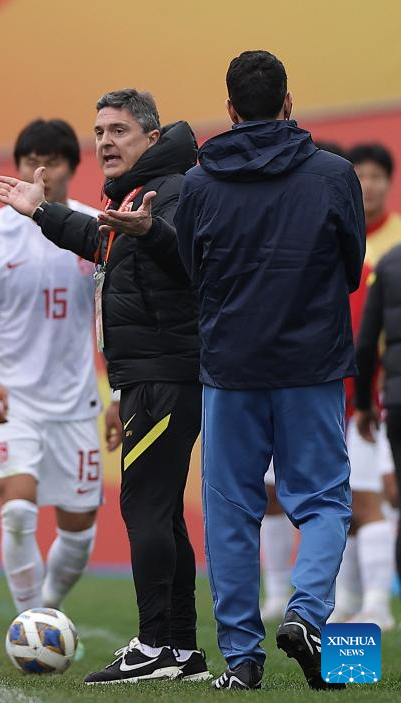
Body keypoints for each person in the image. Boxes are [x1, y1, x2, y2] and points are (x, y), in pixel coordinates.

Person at [0, 90, 209, 684]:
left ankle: (155, 645)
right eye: (100, 132)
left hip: (163, 373)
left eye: (119, 130)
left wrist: (151, 232)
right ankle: (181, 650)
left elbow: (191, 261)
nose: (106, 141)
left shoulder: (174, 190)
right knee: (162, 511)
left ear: (153, 138)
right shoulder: (135, 194)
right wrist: (40, 211)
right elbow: (100, 240)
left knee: (145, 507)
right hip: (147, 375)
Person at [175, 50, 364, 690]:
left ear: (230, 110)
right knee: (324, 501)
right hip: (312, 362)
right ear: (288, 102)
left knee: (231, 511)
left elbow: (193, 272)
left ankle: (242, 662)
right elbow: (350, 267)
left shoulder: (198, 185)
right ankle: (306, 614)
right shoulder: (334, 174)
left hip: (230, 366)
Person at [0, 119, 111, 628]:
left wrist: (117, 395)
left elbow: (113, 317)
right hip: (13, 399)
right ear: (17, 166)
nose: (40, 171)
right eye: (30, 161)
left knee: (79, 530)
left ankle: (49, 608)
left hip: (75, 403)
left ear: (72, 167)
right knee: (19, 510)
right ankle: (33, 625)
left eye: (53, 161)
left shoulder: (93, 228)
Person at [260, 142, 398, 629]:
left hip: (353, 402)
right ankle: (302, 600)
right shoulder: (280, 254)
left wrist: (367, 397)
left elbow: (371, 337)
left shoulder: (365, 265)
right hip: (290, 396)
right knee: (288, 496)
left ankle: (371, 605)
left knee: (357, 501)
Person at [353, 144, 401, 620]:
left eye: (376, 176)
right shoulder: (336, 234)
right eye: (360, 175)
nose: (368, 185)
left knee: (376, 496)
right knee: (346, 501)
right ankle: (352, 606)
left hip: (382, 391)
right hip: (344, 389)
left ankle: (375, 605)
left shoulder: (397, 242)